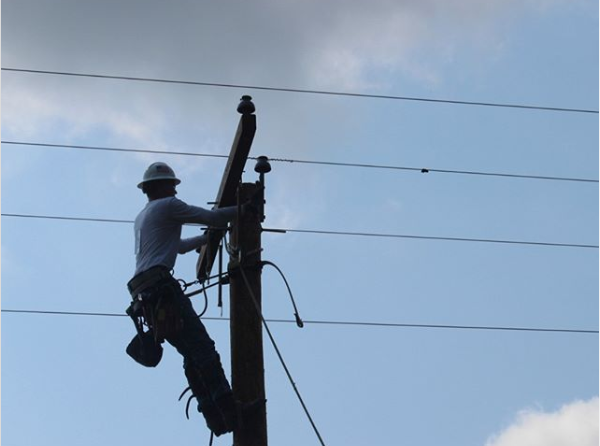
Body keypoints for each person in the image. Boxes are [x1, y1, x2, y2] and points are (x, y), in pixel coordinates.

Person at [126, 161, 245, 436]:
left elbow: (175, 247)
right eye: (172, 185)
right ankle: (229, 409)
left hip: (144, 292)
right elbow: (211, 217)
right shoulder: (168, 206)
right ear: (161, 186)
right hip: (159, 287)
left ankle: (215, 418)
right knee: (203, 348)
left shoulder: (144, 215)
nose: (175, 190)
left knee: (191, 353)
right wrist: (244, 211)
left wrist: (205, 241)